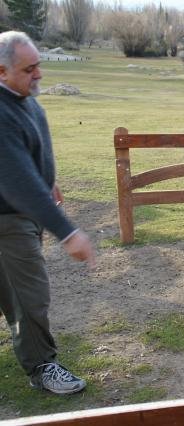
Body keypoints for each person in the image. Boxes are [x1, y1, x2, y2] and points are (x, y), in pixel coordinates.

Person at [0, 31, 96, 395]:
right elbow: (15, 180)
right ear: (1, 72)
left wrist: (48, 180)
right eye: (29, 68)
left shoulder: (23, 98)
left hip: (20, 212)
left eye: (39, 64)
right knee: (32, 294)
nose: (39, 74)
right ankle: (42, 366)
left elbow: (26, 157)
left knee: (12, 292)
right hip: (10, 217)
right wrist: (67, 232)